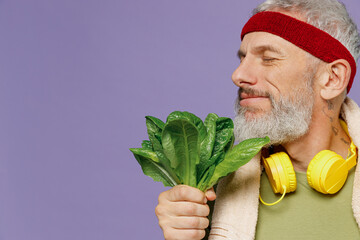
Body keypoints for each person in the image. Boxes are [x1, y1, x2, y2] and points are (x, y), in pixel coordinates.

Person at [155, 0, 360, 239]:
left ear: (332, 79)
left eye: (268, 58)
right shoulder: (210, 181)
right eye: (242, 58)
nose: (238, 75)